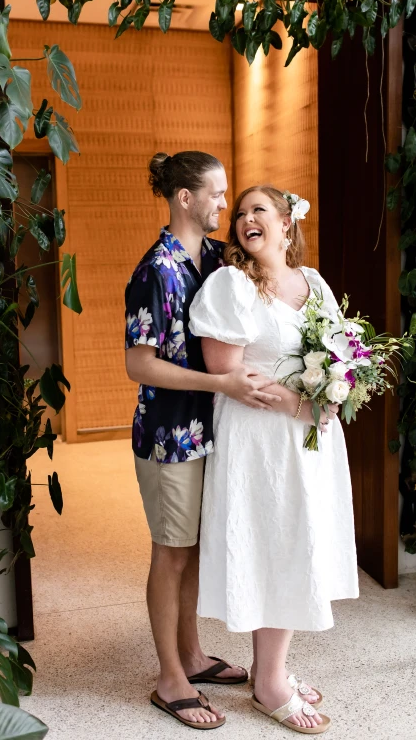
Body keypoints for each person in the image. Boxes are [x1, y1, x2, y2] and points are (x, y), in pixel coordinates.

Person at [189, 185, 359, 735]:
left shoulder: (314, 283)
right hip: (260, 441)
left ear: (287, 222)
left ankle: (271, 670)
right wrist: (299, 402)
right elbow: (230, 373)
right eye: (238, 214)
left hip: (309, 440)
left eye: (257, 210)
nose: (243, 220)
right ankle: (270, 686)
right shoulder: (231, 284)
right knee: (273, 548)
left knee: (297, 546)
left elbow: (344, 354)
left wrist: (336, 392)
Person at [125, 154, 282, 730]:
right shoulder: (156, 270)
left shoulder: (216, 259)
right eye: (217, 195)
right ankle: (170, 679)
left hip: (214, 431)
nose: (225, 205)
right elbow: (138, 365)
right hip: (169, 435)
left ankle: (192, 655)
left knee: (191, 547)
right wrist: (222, 383)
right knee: (171, 553)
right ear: (185, 198)